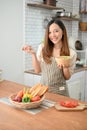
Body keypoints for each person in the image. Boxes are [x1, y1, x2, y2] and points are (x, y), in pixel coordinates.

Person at [22, 19, 77, 97]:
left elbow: (67, 77)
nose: (53, 35)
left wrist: (65, 67)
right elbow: (37, 70)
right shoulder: (42, 48)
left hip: (61, 92)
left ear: (63, 31)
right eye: (50, 32)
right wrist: (33, 54)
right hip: (43, 91)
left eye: (56, 31)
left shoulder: (71, 53)